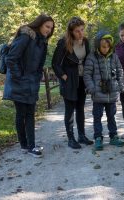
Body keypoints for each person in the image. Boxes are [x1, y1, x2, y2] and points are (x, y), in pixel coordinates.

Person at [3, 14, 55, 158]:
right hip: (19, 82)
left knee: (30, 113)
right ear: (39, 24)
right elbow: (11, 59)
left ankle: (28, 145)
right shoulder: (26, 36)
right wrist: (19, 77)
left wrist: (37, 77)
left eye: (51, 28)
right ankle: (26, 146)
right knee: (22, 113)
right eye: (47, 26)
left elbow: (38, 65)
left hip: (31, 83)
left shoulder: (42, 41)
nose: (49, 30)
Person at [52, 16, 93, 149]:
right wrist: (64, 77)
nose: (81, 33)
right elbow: (55, 64)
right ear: (71, 32)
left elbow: (88, 60)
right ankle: (71, 139)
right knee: (69, 110)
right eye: (77, 31)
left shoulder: (85, 42)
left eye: (82, 30)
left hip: (82, 80)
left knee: (80, 109)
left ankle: (81, 136)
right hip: (69, 81)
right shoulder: (63, 43)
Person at [83, 31, 124, 151]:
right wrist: (92, 88)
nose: (105, 49)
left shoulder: (114, 57)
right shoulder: (92, 57)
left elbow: (120, 71)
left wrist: (120, 84)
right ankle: (98, 138)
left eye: (107, 46)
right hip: (98, 94)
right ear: (97, 46)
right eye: (103, 47)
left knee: (111, 116)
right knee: (97, 116)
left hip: (111, 94)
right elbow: (87, 74)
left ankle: (113, 136)